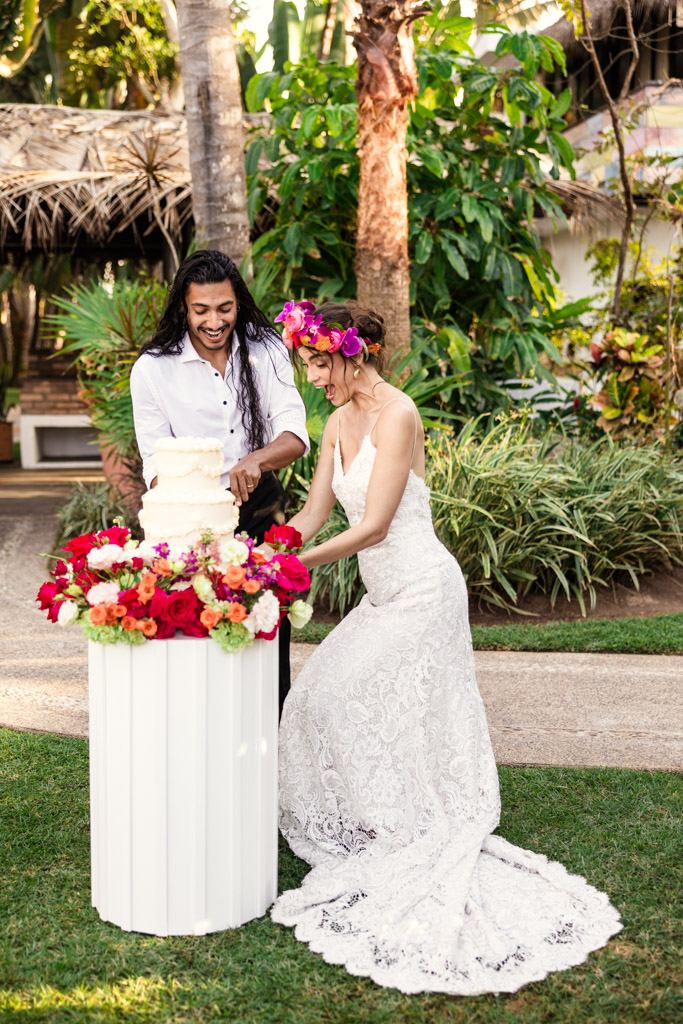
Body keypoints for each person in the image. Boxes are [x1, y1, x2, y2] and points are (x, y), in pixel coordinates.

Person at [270, 298, 622, 995]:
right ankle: (376, 819)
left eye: (318, 362)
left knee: (350, 696)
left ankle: (404, 826)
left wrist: (294, 569)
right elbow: (314, 513)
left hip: (424, 592)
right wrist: (263, 552)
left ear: (351, 352)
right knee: (317, 696)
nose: (314, 377)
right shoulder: (336, 421)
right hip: (385, 596)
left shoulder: (397, 413)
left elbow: (371, 527)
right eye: (305, 364)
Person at [130, 250, 309, 715]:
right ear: (183, 309)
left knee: (270, 623)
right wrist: (194, 509)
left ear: (238, 303)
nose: (214, 321)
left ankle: (272, 727)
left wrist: (253, 461)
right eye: (201, 310)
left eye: (224, 308)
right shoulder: (152, 369)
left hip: (261, 506)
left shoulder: (265, 349)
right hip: (190, 523)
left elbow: (294, 434)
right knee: (198, 626)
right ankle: (201, 727)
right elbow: (154, 461)